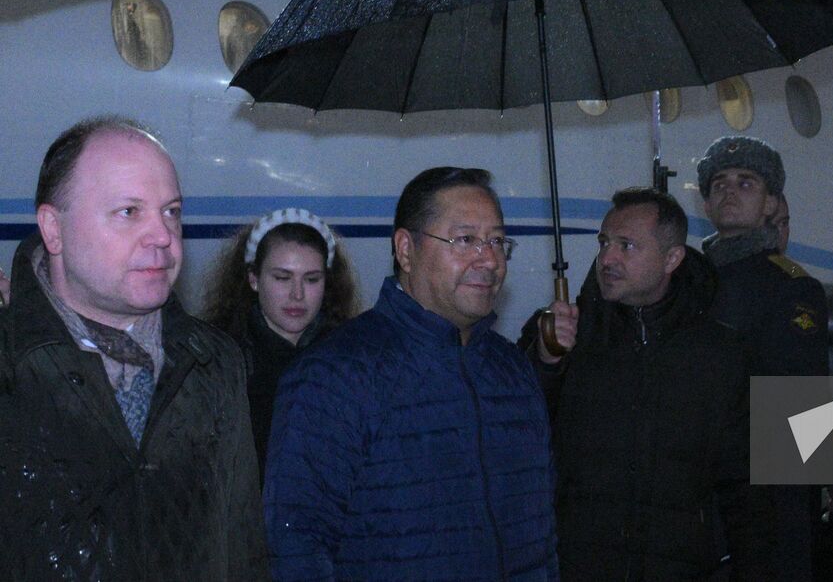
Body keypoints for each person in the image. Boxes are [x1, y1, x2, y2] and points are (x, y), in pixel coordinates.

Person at [0, 116, 267, 580]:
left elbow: (243, 552)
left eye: (171, 211)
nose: (163, 235)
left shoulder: (215, 364)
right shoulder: (12, 368)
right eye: (129, 212)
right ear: (53, 229)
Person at [263, 166, 557, 581]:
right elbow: (297, 549)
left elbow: (541, 542)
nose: (488, 259)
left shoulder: (513, 374)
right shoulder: (334, 376)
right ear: (406, 249)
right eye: (465, 239)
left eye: (496, 241)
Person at [527, 187, 772, 580]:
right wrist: (546, 361)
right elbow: (520, 432)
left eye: (627, 246)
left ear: (672, 258)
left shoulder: (719, 354)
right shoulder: (563, 335)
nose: (607, 258)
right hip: (578, 567)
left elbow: (746, 486)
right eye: (604, 242)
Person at [696, 135, 833, 581]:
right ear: (706, 204)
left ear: (770, 204)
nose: (729, 191)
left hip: (766, 495)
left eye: (746, 182)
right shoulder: (688, 279)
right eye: (719, 183)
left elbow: (805, 392)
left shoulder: (791, 287)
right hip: (701, 486)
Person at [202, 207, 362, 476]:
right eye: (282, 278)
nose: (297, 295)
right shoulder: (218, 360)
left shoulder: (353, 360)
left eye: (311, 279)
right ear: (253, 279)